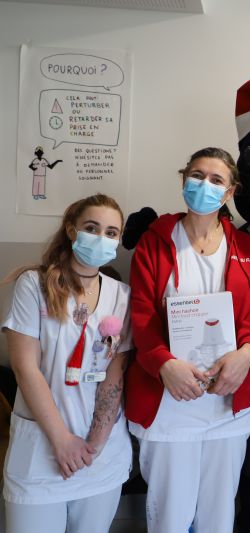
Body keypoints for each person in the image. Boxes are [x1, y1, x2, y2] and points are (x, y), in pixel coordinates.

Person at [125, 147, 250, 533]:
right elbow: (141, 316)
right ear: (183, 179)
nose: (204, 185)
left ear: (229, 192)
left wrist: (246, 354)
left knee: (218, 515)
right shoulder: (156, 242)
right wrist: (165, 365)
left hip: (227, 401)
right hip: (170, 401)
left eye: (216, 179)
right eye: (196, 175)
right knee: (171, 515)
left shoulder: (245, 248)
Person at [1, 193, 132, 532]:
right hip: (42, 453)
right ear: (72, 230)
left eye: (111, 232)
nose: (101, 238)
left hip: (98, 456)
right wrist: (62, 441)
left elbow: (114, 373)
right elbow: (25, 368)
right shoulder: (34, 285)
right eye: (92, 228)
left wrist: (95, 444)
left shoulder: (122, 296)